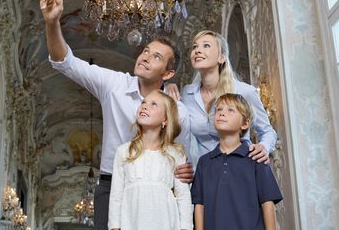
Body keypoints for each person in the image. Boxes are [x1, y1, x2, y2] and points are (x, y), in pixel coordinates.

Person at [39, 0, 192, 229]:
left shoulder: (179, 112)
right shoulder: (114, 85)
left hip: (156, 191)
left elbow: (182, 160)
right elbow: (65, 62)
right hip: (112, 185)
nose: (145, 57)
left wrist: (185, 174)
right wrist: (52, 22)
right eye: (145, 51)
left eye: (156, 57)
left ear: (167, 74)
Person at [166, 30, 277, 165]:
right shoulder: (186, 94)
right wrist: (166, 88)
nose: (197, 50)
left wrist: (264, 147)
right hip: (204, 173)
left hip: (241, 168)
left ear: (222, 58)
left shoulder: (245, 91)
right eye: (195, 47)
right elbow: (175, 131)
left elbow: (267, 132)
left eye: (206, 45)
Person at [191, 93, 283, 230]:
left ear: (245, 123)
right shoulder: (204, 162)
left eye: (230, 110)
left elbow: (267, 203)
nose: (222, 113)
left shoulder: (256, 157)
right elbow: (199, 205)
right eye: (219, 110)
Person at [108, 90, 192, 230]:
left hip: (166, 224)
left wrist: (186, 228)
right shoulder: (124, 152)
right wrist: (114, 227)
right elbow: (116, 196)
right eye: (143, 102)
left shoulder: (175, 154)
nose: (144, 106)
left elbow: (183, 197)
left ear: (165, 119)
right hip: (131, 223)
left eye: (153, 104)